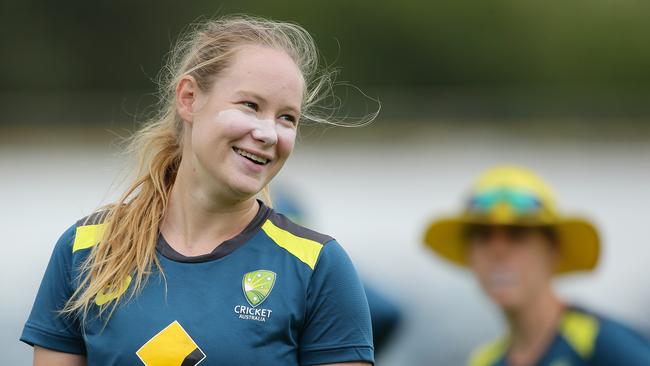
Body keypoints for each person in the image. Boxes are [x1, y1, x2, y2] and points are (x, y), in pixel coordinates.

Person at [21, 15, 374, 366]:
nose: (269, 133)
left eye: (287, 118)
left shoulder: (317, 267)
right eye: (250, 105)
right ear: (189, 98)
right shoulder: (85, 249)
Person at [423, 165, 650, 366]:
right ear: (469, 255)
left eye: (517, 234)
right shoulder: (484, 361)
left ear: (553, 250)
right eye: (483, 236)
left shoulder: (599, 344)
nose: (498, 252)